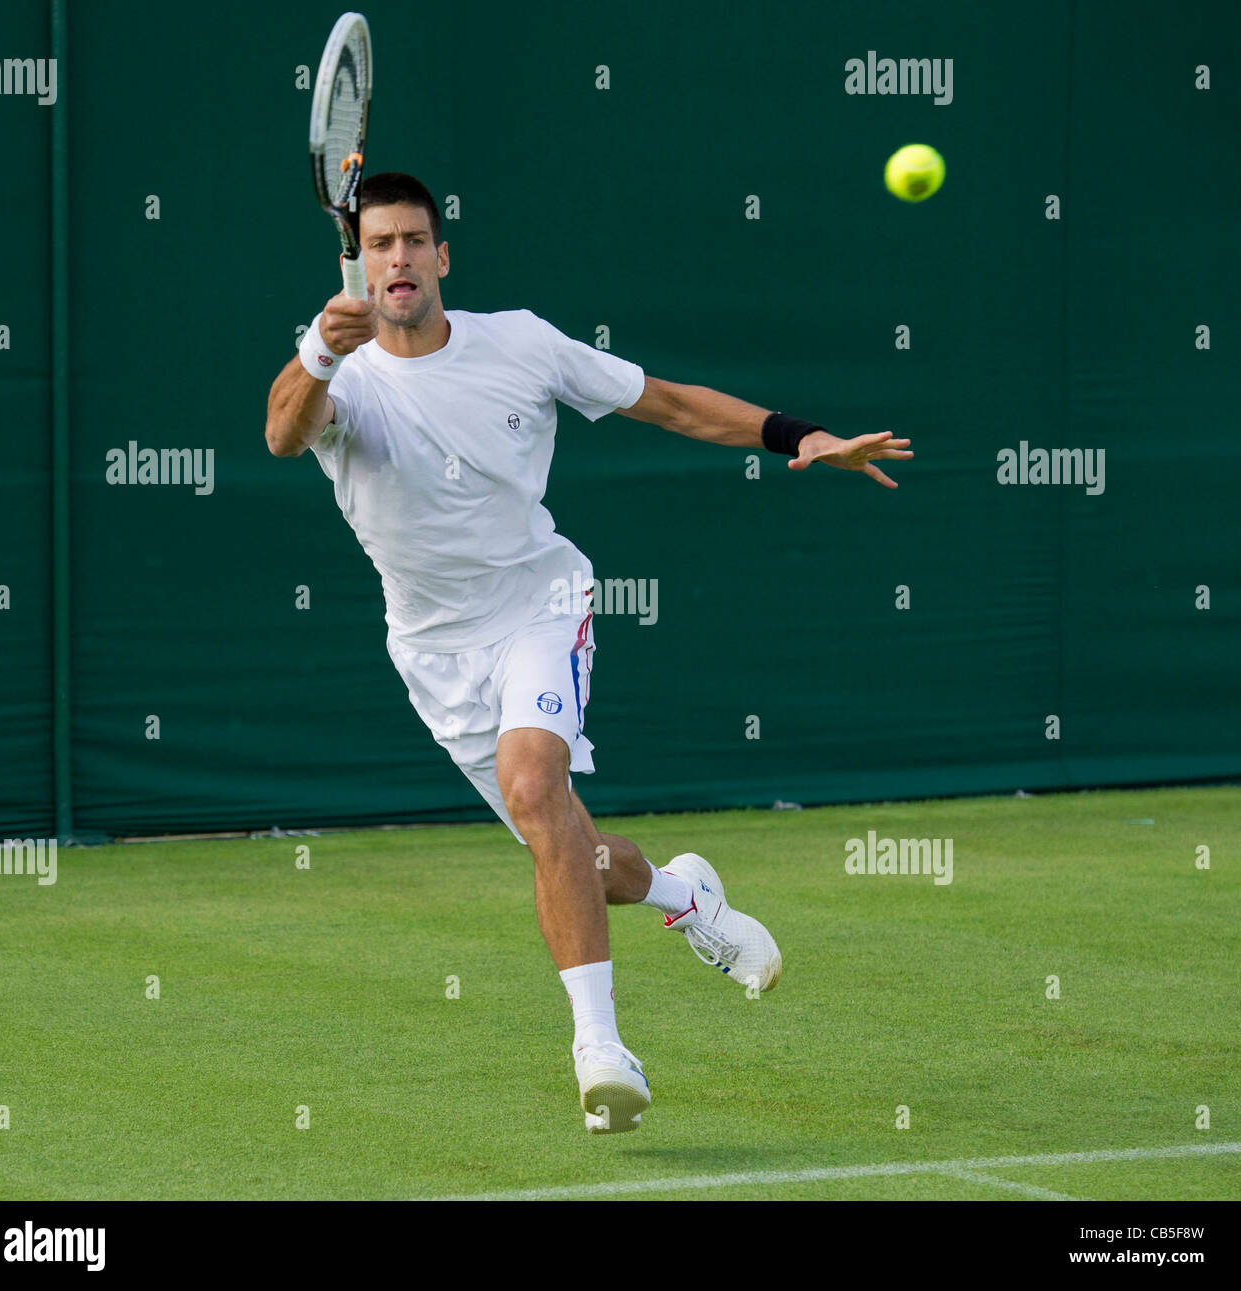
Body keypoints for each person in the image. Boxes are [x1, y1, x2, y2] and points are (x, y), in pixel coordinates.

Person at [265, 172, 912, 1134]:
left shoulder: (521, 341)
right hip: (433, 655)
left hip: (539, 601)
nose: (398, 258)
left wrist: (799, 435)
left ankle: (600, 1049)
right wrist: (319, 348)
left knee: (536, 790)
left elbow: (669, 403)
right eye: (380, 244)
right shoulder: (338, 378)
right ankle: (689, 897)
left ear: (444, 257)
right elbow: (282, 435)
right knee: (576, 850)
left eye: (414, 241)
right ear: (357, 262)